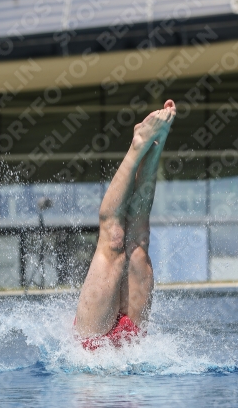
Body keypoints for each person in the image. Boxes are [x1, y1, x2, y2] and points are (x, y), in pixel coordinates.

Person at [74, 100, 176, 350]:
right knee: (131, 240)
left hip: (101, 347)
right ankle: (148, 146)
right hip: (113, 348)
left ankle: (150, 144)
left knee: (119, 241)